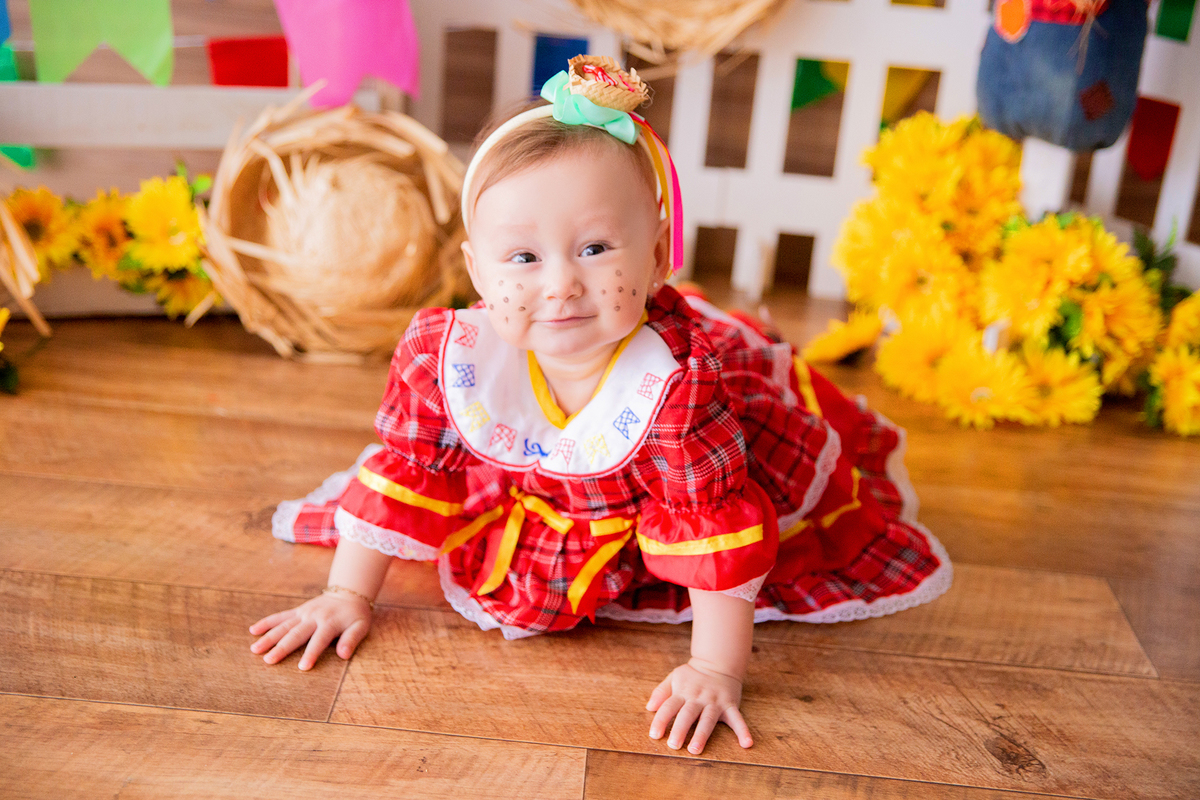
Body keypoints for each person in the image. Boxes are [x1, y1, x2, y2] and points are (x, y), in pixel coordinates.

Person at [251, 55, 952, 756]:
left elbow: (709, 520)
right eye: (523, 258)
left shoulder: (676, 387)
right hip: (541, 472)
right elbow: (412, 468)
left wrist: (715, 668)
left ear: (657, 254)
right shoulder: (454, 358)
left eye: (595, 248)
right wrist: (347, 594)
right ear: (477, 273)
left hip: (669, 485)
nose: (561, 284)